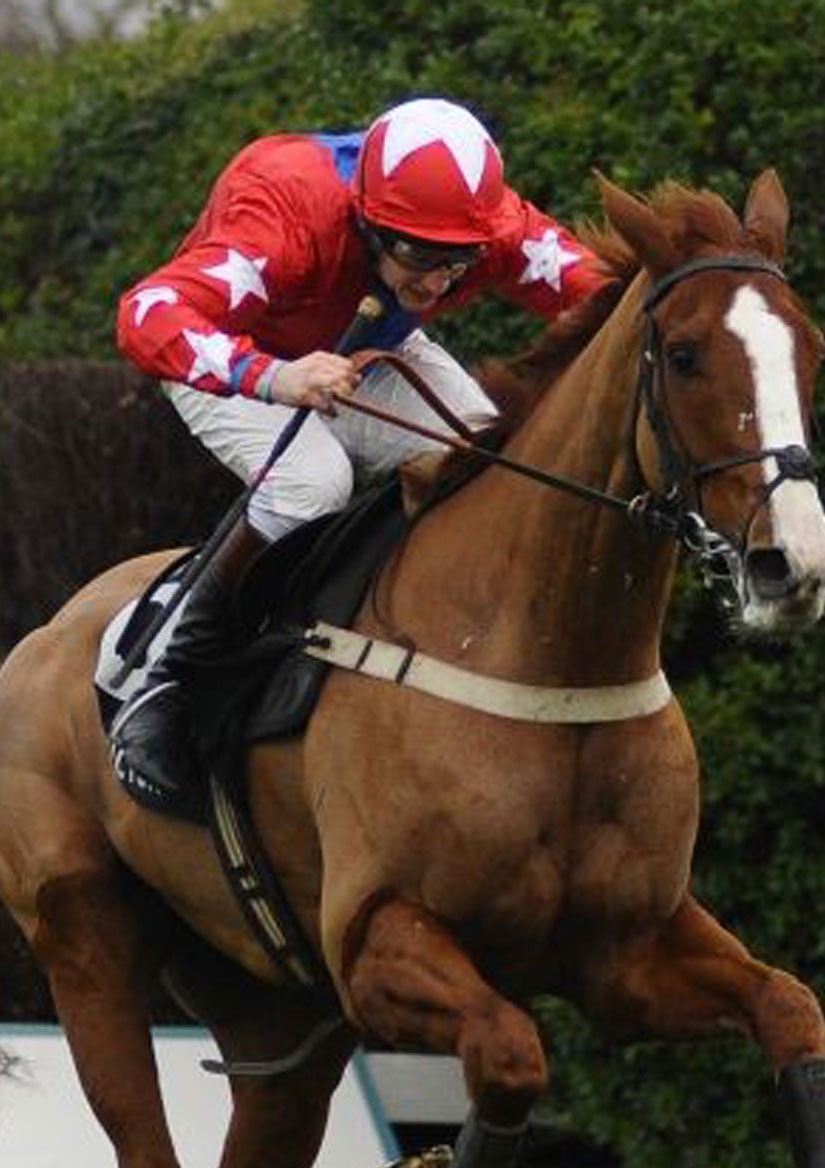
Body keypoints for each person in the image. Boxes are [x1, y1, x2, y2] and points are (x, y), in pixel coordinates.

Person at [108, 96, 611, 813]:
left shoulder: (485, 219)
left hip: (365, 347)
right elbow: (146, 313)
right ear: (367, 221)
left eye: (456, 262)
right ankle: (166, 678)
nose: (437, 282)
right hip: (233, 361)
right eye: (416, 256)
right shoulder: (285, 208)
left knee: (484, 457)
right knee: (313, 484)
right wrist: (273, 376)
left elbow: (609, 291)